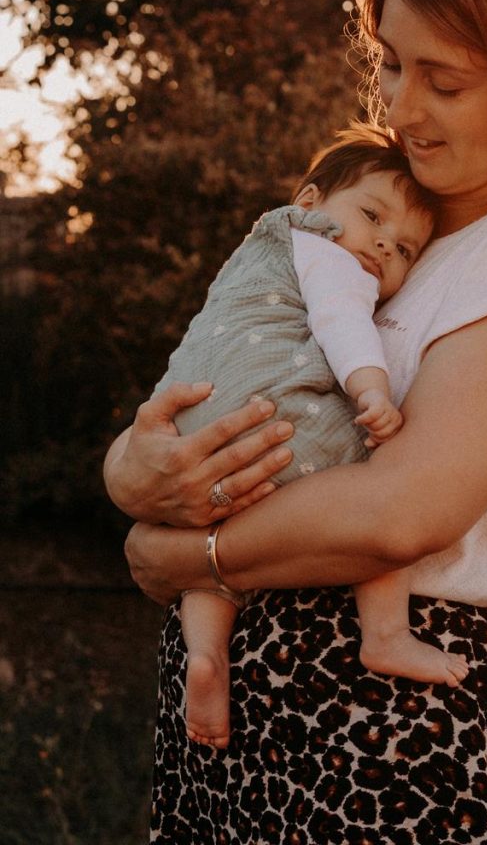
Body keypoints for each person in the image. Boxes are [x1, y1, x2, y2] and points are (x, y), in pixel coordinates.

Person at [105, 0, 487, 844]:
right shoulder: (391, 232)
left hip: (399, 732)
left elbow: (401, 510)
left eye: (443, 79)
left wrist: (184, 555)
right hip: (252, 710)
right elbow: (238, 371)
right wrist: (133, 469)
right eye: (391, 66)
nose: (400, 109)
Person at [152, 126, 463, 749]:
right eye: (372, 215)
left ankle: (206, 655)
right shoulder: (321, 249)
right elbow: (341, 320)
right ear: (311, 200)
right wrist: (372, 391)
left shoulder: (256, 251)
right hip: (275, 420)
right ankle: (386, 635)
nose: (381, 243)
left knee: (205, 559)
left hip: (200, 429)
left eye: (404, 249)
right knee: (383, 480)